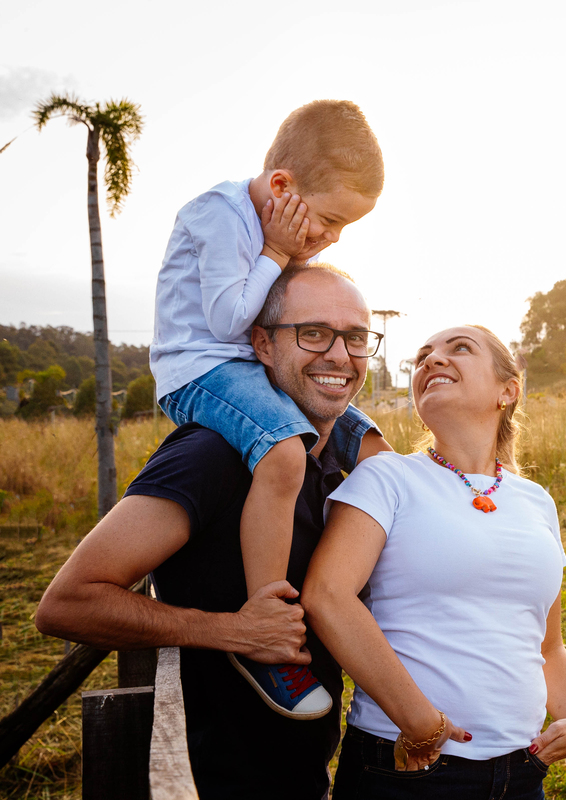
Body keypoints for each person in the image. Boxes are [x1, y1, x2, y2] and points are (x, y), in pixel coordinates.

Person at [37, 263, 375, 799]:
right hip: (212, 781)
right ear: (261, 344)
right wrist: (232, 633)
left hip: (306, 775)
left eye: (356, 337)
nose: (339, 355)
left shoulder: (339, 464)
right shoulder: (210, 454)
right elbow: (67, 603)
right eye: (313, 333)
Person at [149, 99, 392, 717]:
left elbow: (284, 304)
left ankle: (385, 605)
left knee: (376, 453)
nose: (330, 238)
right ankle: (268, 629)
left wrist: (291, 255)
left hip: (253, 365)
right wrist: (282, 250)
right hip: (201, 366)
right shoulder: (219, 214)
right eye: (330, 220)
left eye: (344, 230)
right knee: (285, 452)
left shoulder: (279, 226)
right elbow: (231, 318)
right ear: (282, 185)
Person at [302, 325, 566, 799]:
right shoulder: (387, 477)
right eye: (423, 356)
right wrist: (421, 721)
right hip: (409, 764)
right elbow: (327, 598)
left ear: (508, 390)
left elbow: (548, 644)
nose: (432, 360)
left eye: (459, 349)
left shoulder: (537, 501)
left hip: (520, 771)